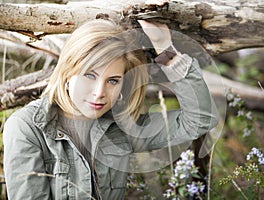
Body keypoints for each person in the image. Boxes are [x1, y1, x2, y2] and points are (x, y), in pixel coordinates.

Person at [3, 15, 219, 200]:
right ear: (68, 72)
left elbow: (200, 120)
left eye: (113, 81)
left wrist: (166, 51)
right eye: (89, 75)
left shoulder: (122, 126)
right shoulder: (27, 128)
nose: (99, 93)